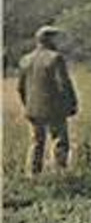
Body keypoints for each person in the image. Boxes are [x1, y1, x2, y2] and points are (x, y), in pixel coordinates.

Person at [17, 25, 79, 175]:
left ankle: (32, 175)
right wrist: (72, 104)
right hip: (54, 109)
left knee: (36, 143)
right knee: (60, 141)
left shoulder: (25, 60)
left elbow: (20, 87)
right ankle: (59, 174)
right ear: (50, 39)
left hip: (32, 109)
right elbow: (63, 85)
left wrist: (27, 105)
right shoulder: (55, 58)